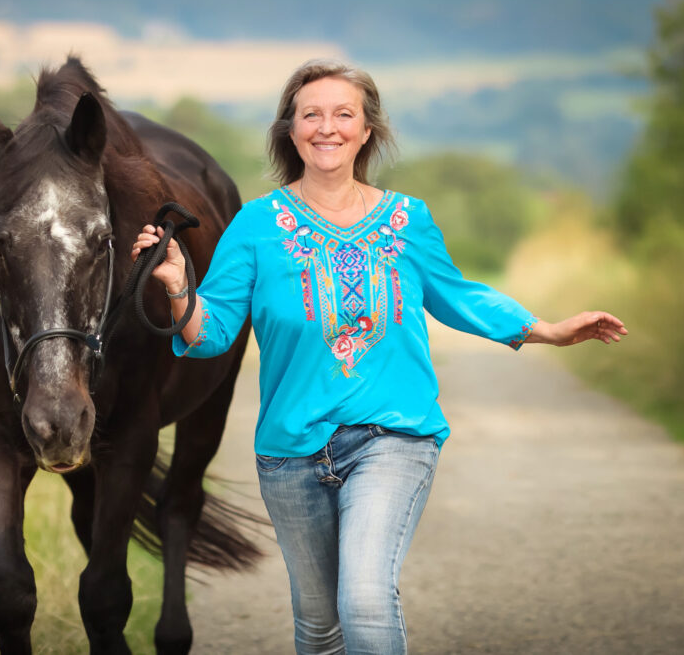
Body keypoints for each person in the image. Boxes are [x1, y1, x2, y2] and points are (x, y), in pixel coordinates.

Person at [131, 59, 626, 655]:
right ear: (290, 131)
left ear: (367, 132)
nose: (327, 127)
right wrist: (179, 283)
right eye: (311, 114)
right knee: (319, 629)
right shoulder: (254, 226)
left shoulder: (408, 220)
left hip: (394, 438)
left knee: (364, 599)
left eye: (344, 114)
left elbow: (458, 296)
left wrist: (547, 330)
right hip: (291, 454)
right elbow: (210, 334)